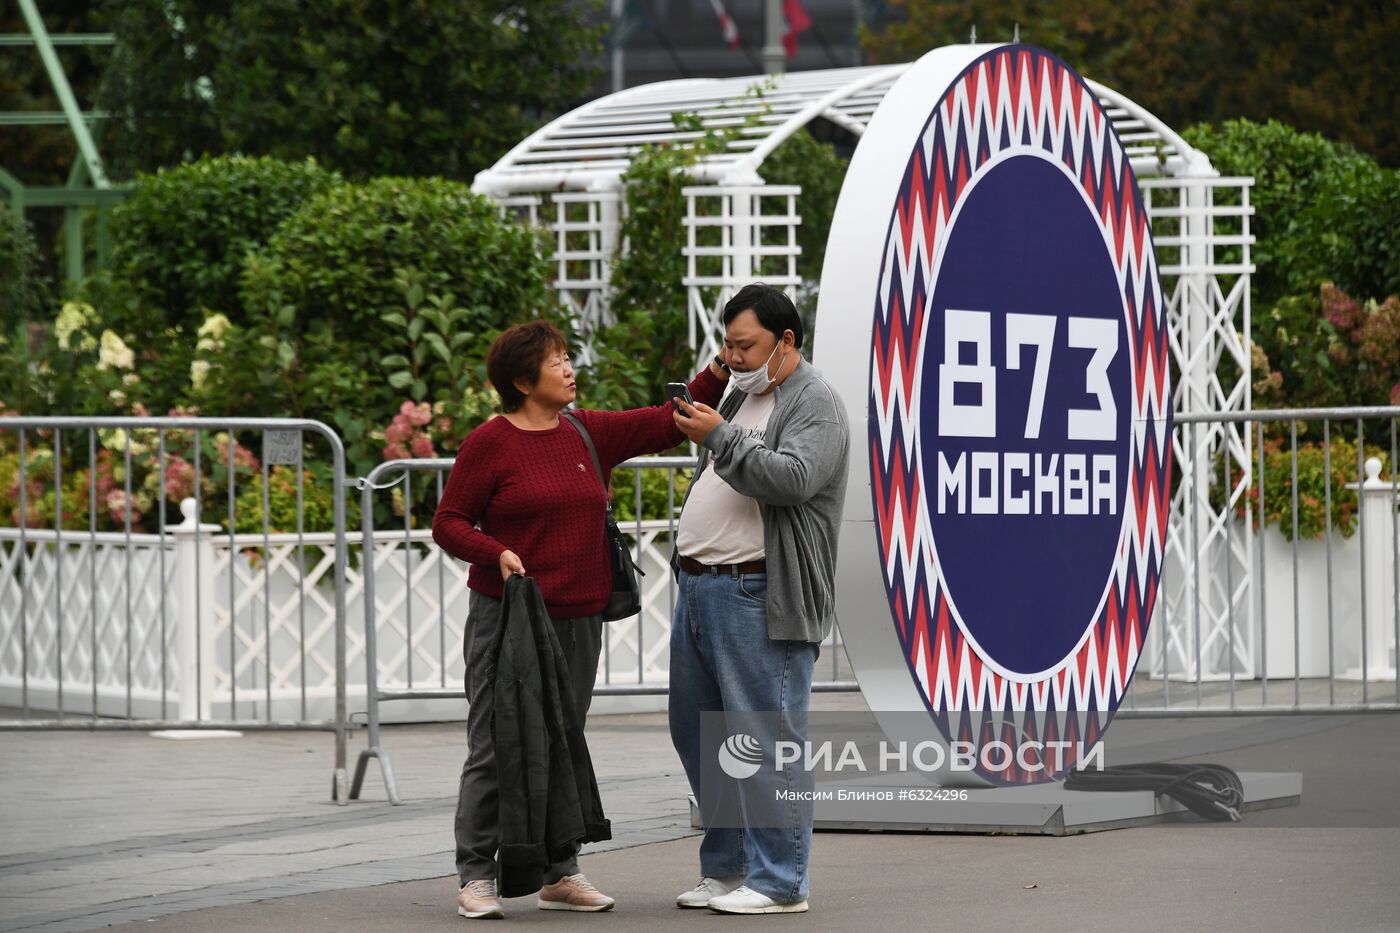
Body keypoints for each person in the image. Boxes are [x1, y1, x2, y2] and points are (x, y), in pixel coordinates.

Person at [432, 320, 730, 919]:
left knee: (561, 743)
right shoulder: (489, 443)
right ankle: (475, 876)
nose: (570, 369)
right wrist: (497, 553)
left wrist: (719, 371)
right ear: (522, 380)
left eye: (569, 358)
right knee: (497, 742)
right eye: (557, 361)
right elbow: (449, 521)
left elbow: (664, 420)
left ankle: (558, 872)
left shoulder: (585, 431)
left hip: (578, 617)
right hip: (507, 616)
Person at [668, 283, 851, 915]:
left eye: (746, 345)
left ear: (786, 341)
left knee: (764, 737)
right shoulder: (737, 393)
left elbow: (794, 480)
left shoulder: (815, 401)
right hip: (701, 585)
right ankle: (727, 869)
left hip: (759, 590)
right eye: (728, 343)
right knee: (701, 732)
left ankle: (781, 883)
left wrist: (720, 437)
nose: (734, 356)